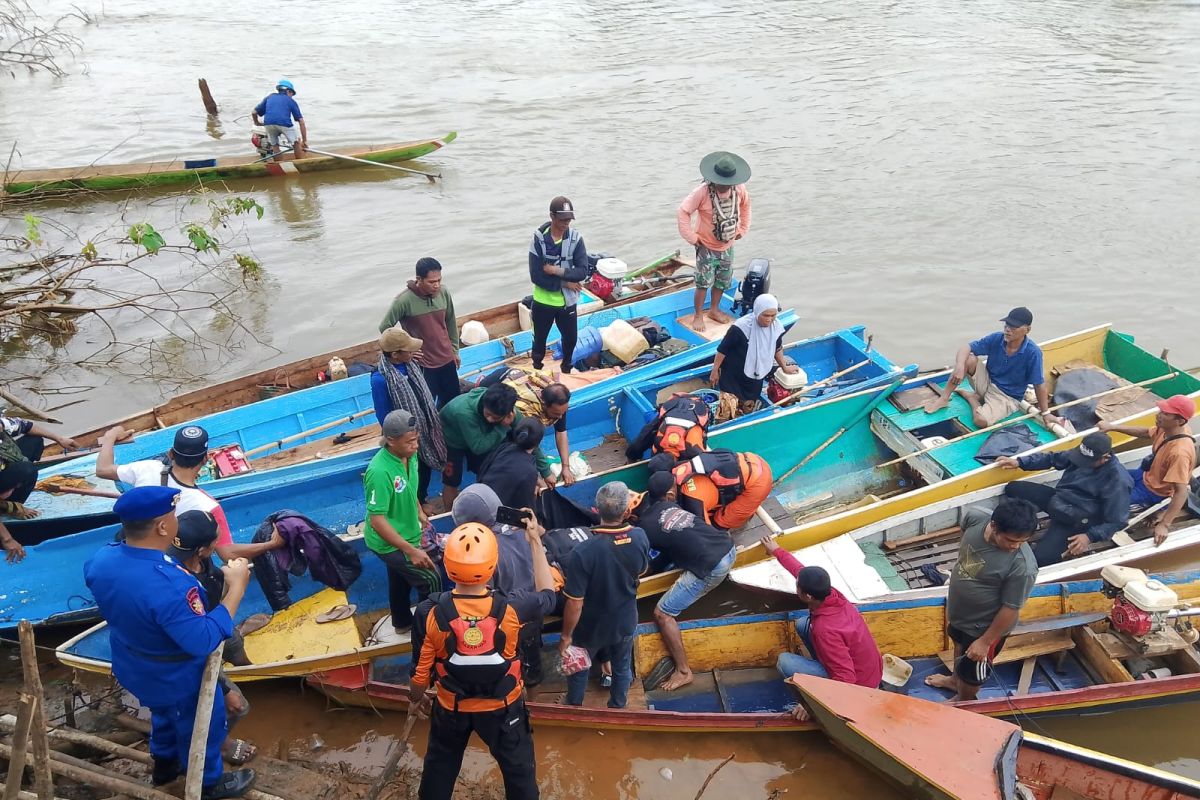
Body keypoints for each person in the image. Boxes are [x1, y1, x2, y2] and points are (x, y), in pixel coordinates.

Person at [83, 486, 255, 799]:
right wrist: (237, 588)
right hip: (175, 675)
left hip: (132, 662)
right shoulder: (171, 582)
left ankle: (164, 764)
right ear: (163, 527)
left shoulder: (102, 558)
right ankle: (209, 783)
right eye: (172, 516)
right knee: (204, 727)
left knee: (162, 715)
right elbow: (202, 640)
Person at [408, 521, 557, 800]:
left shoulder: (428, 611)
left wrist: (415, 697)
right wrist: (535, 541)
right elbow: (548, 593)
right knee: (520, 776)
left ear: (447, 563)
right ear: (492, 565)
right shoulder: (514, 607)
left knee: (439, 772)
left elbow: (419, 674)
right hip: (504, 711)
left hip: (451, 710)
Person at [96, 425, 283, 563]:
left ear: (170, 453)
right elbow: (228, 554)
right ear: (206, 459)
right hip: (164, 563)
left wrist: (111, 436)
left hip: (127, 549)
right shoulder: (207, 505)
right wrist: (271, 545)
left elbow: (103, 469)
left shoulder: (146, 467)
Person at [167, 511, 258, 765]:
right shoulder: (183, 586)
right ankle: (218, 743)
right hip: (200, 643)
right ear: (202, 550)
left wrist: (228, 574)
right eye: (215, 541)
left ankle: (251, 671)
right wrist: (224, 689)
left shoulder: (192, 557)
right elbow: (200, 647)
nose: (219, 543)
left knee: (234, 643)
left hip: (215, 619)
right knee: (238, 706)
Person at [924, 498, 1038, 701]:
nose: (1016, 546)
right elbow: (965, 532)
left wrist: (985, 642)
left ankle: (965, 700)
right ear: (994, 526)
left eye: (1023, 541)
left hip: (983, 628)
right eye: (1011, 540)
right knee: (958, 642)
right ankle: (953, 681)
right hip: (959, 613)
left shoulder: (1022, 567)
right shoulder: (976, 518)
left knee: (972, 674)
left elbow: (1011, 608)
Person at [760, 533, 883, 707]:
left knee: (785, 661)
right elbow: (799, 570)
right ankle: (823, 664)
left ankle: (810, 697)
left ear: (808, 596)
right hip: (869, 671)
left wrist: (812, 704)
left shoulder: (825, 629)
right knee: (803, 624)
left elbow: (846, 678)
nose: (796, 585)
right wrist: (776, 550)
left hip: (859, 688)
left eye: (798, 586)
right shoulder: (832, 594)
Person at [640, 471, 737, 691]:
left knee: (662, 614)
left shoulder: (646, 525)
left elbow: (652, 556)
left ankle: (684, 671)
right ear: (670, 495)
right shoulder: (673, 507)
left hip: (715, 565)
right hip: (727, 545)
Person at [559, 481, 650, 708]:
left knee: (580, 667)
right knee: (622, 666)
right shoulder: (640, 536)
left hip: (592, 626)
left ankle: (574, 704)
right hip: (625, 620)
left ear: (596, 509)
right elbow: (641, 570)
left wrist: (566, 636)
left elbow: (574, 603)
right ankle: (618, 705)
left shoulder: (583, 552)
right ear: (626, 511)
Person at [450, 484, 545, 686]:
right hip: (533, 610)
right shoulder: (523, 531)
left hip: (506, 622)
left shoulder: (480, 554)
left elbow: (481, 600)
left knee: (508, 671)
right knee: (531, 668)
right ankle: (532, 699)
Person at [997, 432, 1132, 566]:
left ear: (1106, 457)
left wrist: (1089, 536)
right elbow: (1052, 459)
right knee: (1013, 488)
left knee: (1041, 559)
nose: (1082, 463)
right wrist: (1019, 462)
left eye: (1087, 462)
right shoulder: (1081, 454)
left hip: (1077, 520)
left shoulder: (1118, 480)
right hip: (1058, 499)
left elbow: (1118, 521)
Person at [363, 410, 440, 637]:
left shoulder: (409, 454)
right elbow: (377, 520)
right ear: (390, 440)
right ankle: (428, 632)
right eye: (409, 442)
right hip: (389, 541)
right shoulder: (379, 472)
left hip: (408, 531)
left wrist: (418, 510)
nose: (415, 446)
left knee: (399, 579)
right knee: (431, 579)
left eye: (416, 439)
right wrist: (411, 550)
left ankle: (402, 622)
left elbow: (408, 485)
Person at [922, 307, 1064, 429]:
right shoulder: (997, 338)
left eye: (1013, 327)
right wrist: (959, 366)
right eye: (1006, 325)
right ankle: (944, 398)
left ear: (1027, 330)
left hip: (1006, 396)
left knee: (980, 420)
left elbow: (1039, 385)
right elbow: (966, 347)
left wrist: (1046, 413)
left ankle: (972, 399)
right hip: (988, 382)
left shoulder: (1033, 353)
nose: (1008, 330)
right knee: (969, 359)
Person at [1099, 394, 1197, 546]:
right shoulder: (1167, 429)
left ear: (1180, 421)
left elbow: (1181, 491)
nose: (1159, 415)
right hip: (1144, 475)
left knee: (1109, 504)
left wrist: (1165, 524)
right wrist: (1113, 427)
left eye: (1165, 413)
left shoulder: (1179, 453)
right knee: (1105, 476)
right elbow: (1146, 433)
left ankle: (1157, 509)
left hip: (1154, 492)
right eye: (1161, 411)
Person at [371, 325, 447, 506]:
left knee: (426, 466)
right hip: (404, 432)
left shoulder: (411, 364)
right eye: (409, 350)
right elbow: (383, 413)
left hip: (426, 425)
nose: (414, 351)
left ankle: (423, 497)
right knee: (414, 469)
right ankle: (417, 502)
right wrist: (396, 438)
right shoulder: (380, 379)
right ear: (395, 355)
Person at [439, 383, 550, 508]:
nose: (490, 419)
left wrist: (545, 471)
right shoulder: (463, 413)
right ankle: (451, 513)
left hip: (482, 435)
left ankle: (488, 502)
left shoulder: (509, 410)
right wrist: (503, 427)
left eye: (495, 417)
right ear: (484, 404)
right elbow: (478, 447)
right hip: (453, 440)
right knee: (451, 482)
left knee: (490, 471)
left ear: (509, 412)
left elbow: (531, 438)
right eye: (488, 414)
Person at [676, 151, 752, 333]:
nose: (724, 187)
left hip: (727, 245)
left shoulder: (739, 190)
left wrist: (742, 229)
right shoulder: (701, 192)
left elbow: (746, 206)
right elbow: (683, 212)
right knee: (703, 282)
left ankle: (714, 310)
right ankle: (698, 315)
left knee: (722, 280)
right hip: (705, 246)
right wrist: (692, 238)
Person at [377, 257, 462, 409]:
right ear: (419, 279)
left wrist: (455, 350)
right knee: (426, 406)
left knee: (454, 403)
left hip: (447, 358)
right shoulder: (403, 300)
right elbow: (385, 327)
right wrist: (405, 349)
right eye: (431, 282)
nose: (436, 285)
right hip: (423, 363)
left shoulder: (444, 292)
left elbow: (450, 322)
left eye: (439, 280)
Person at [528, 196, 589, 373]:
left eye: (569, 219)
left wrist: (556, 271)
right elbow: (536, 276)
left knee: (570, 339)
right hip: (543, 301)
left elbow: (582, 271)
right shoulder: (538, 241)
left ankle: (566, 370)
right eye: (562, 219)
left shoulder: (576, 239)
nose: (565, 223)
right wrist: (565, 282)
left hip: (567, 303)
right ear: (552, 217)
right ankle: (537, 368)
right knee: (539, 341)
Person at [710, 293, 796, 417]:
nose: (769, 319)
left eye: (773, 315)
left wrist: (784, 367)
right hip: (733, 376)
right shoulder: (740, 328)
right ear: (757, 312)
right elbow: (722, 350)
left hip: (755, 376)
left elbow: (777, 348)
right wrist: (715, 370)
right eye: (765, 315)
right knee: (726, 411)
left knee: (747, 408)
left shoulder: (775, 328)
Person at [660, 446, 774, 531]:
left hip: (759, 482)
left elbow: (707, 531)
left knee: (721, 522)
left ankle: (741, 524)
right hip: (748, 460)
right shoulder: (678, 468)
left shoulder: (693, 501)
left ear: (670, 494)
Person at [0, 413, 77, 518]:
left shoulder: (2, 424)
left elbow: (28, 426)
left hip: (5, 466)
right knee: (28, 470)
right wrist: (10, 506)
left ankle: (17, 486)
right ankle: (11, 506)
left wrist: (60, 439)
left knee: (35, 440)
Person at [478, 417, 544, 512]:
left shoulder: (503, 447)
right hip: (494, 512)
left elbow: (483, 470)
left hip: (479, 496)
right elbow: (526, 508)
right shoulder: (530, 471)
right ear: (538, 443)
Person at [624, 393, 711, 462]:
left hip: (695, 415)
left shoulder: (693, 448)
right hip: (673, 408)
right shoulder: (659, 437)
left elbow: (705, 460)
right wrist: (631, 456)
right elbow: (643, 437)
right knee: (646, 436)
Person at [520, 382, 577, 486]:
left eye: (563, 413)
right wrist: (544, 474)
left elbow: (561, 432)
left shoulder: (559, 403)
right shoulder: (527, 413)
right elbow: (531, 445)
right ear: (544, 405)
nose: (560, 417)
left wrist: (565, 466)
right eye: (556, 414)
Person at [251, 79, 306, 158]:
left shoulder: (269, 97)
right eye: (292, 94)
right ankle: (300, 162)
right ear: (288, 91)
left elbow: (254, 112)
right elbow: (301, 122)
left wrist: (257, 123)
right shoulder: (290, 101)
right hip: (284, 123)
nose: (292, 96)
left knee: (275, 145)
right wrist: (304, 141)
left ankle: (279, 163)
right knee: (296, 143)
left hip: (268, 124)